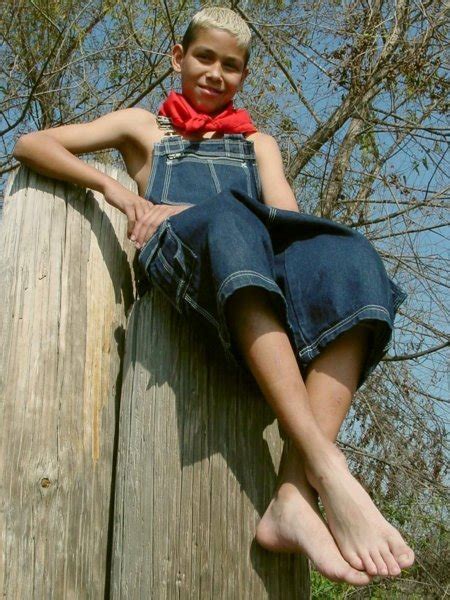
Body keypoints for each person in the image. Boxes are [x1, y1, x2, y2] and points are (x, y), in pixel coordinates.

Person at [13, 6, 414, 587]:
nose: (215, 73)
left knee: (348, 255)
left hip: (248, 264)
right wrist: (120, 194)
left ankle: (293, 496)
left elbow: (290, 225)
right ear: (179, 58)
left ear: (243, 76)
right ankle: (328, 466)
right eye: (204, 57)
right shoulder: (142, 128)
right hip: (183, 268)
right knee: (227, 220)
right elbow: (32, 143)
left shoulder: (259, 145)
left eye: (232, 66)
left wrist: (318, 261)